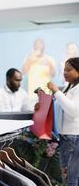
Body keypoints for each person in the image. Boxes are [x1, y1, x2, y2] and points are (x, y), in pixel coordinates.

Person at [46, 57, 79, 185]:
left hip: (73, 137)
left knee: (69, 178)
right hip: (70, 136)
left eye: (69, 70)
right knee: (71, 177)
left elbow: (73, 110)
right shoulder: (71, 87)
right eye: (64, 70)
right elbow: (61, 107)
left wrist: (56, 91)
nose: (65, 72)